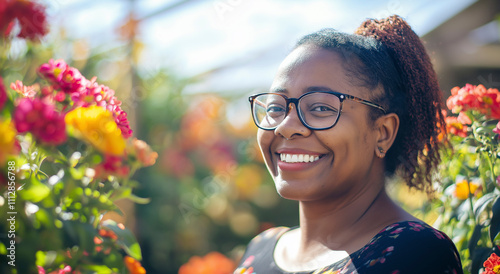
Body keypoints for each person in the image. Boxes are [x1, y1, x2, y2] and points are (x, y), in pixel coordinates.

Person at [235, 15, 463, 274]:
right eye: (276, 107)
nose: (285, 126)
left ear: (383, 132)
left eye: (320, 107)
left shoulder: (414, 253)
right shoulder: (262, 247)